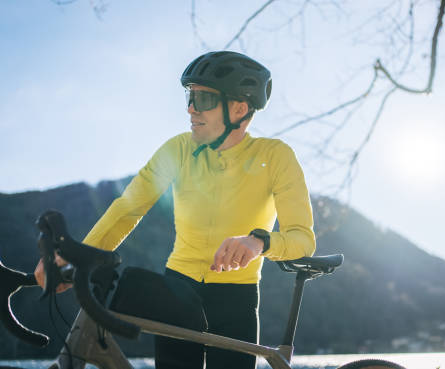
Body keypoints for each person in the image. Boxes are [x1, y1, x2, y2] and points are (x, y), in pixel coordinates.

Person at [34, 51, 316, 369]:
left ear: (239, 108)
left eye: (204, 98)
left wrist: (259, 242)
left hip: (236, 296)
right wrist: (79, 255)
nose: (191, 108)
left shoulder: (275, 156)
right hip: (177, 291)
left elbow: (301, 238)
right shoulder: (179, 149)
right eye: (190, 96)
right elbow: (128, 208)